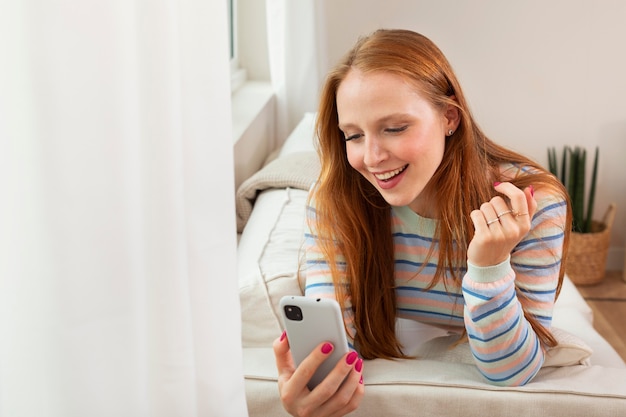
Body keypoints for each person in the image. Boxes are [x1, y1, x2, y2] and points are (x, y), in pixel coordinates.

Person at [273, 28, 571, 416]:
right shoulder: (335, 201)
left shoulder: (534, 204)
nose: (372, 156)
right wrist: (312, 379)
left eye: (394, 128)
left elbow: (512, 371)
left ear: (449, 117)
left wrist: (489, 266)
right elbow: (335, 338)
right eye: (353, 136)